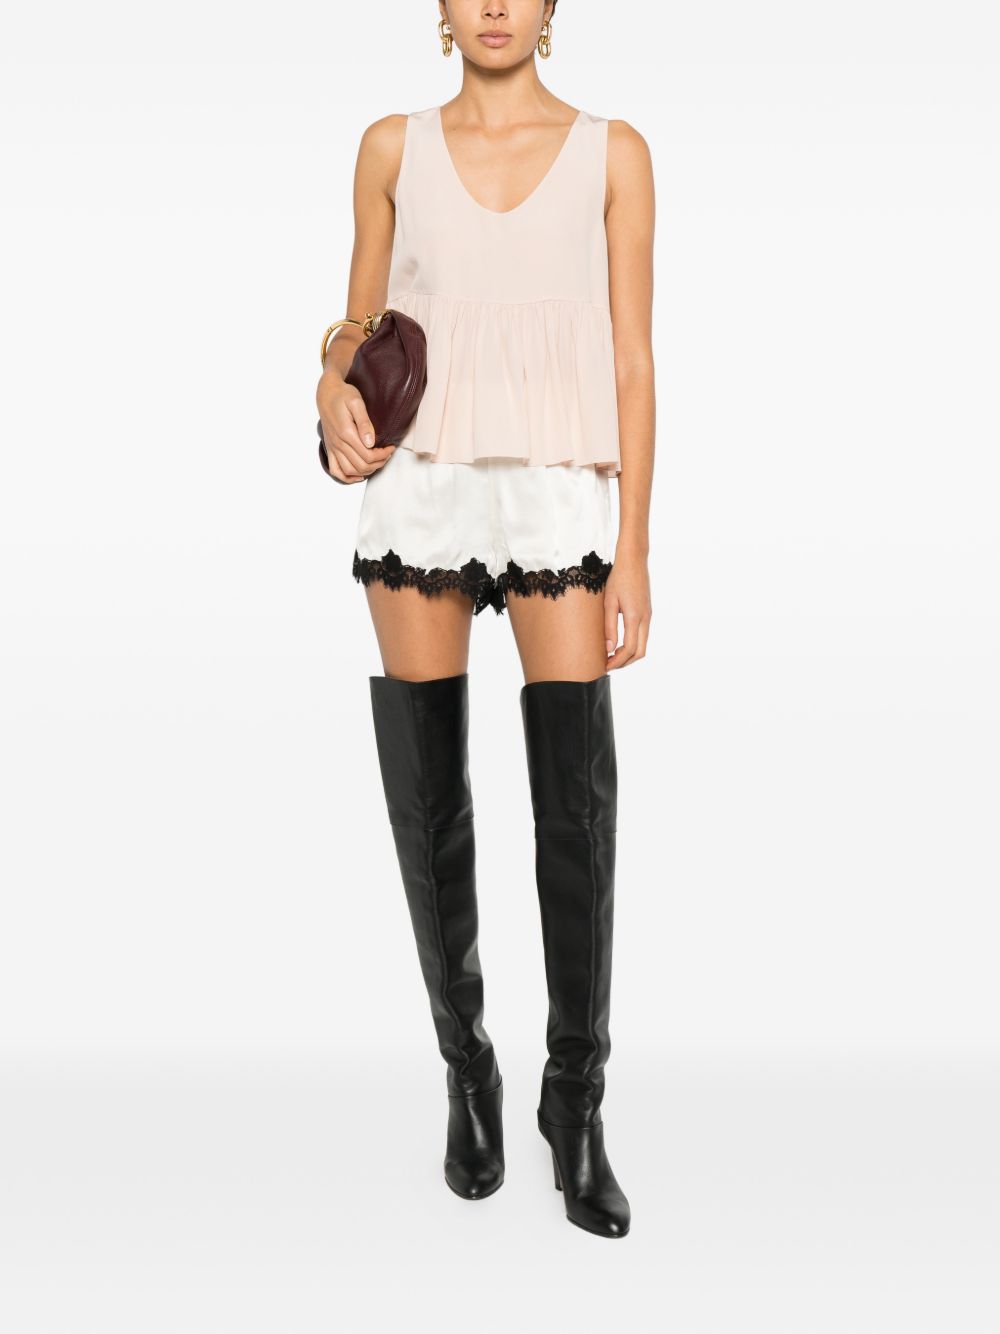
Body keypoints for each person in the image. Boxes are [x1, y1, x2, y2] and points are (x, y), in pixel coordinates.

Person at [315, 1, 654, 1239]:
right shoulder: (389, 146)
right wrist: (327, 376)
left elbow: (632, 360)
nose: (495, 5)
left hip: (556, 480)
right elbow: (357, 326)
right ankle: (468, 1073)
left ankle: (577, 1097)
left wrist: (634, 548)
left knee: (575, 807)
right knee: (428, 798)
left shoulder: (613, 152)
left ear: (553, 7)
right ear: (441, 8)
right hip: (423, 480)